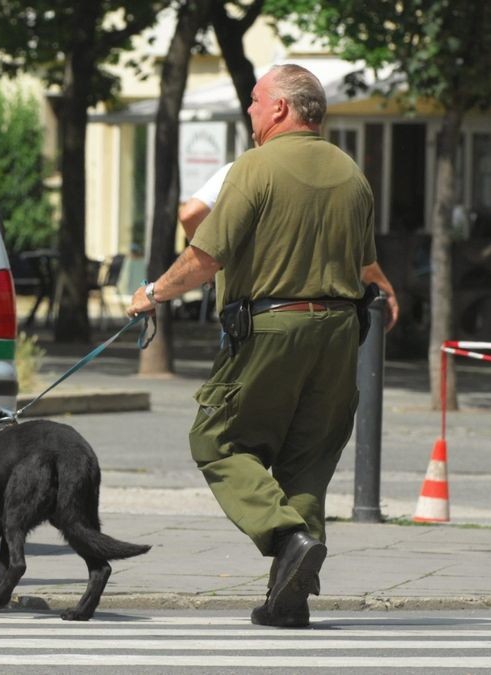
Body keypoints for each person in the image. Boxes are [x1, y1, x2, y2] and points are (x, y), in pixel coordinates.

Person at [127, 64, 376, 628]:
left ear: (283, 108)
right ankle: (290, 598)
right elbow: (364, 266)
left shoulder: (255, 168)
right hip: (340, 333)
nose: (250, 109)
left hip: (272, 327)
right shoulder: (353, 174)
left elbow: (205, 254)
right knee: (307, 462)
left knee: (215, 440)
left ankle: (285, 537)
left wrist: (152, 293)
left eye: (257, 99)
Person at [180, 162, 399, 331]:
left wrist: (213, 265)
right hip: (328, 317)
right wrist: (383, 287)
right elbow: (352, 250)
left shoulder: (243, 169)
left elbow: (190, 214)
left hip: (253, 316)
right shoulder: (329, 171)